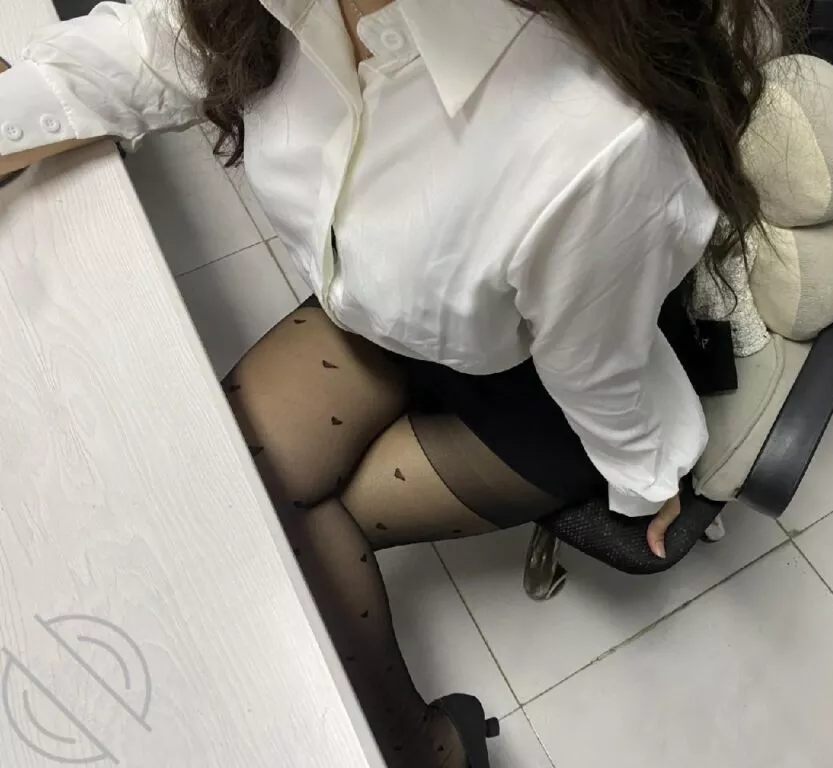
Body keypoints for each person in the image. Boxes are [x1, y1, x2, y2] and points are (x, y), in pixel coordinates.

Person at [0, 0, 776, 764]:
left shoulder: (597, 137)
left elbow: (595, 366)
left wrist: (643, 478)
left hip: (543, 397)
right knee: (227, 496)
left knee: (299, 544)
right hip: (394, 319)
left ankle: (429, 751)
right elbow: (157, 47)